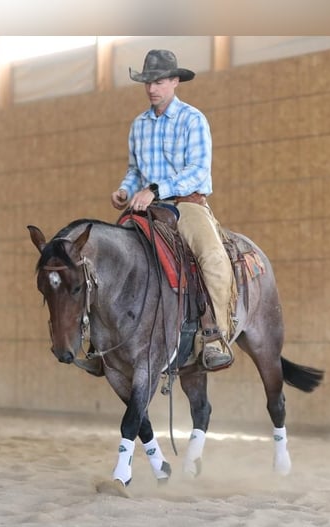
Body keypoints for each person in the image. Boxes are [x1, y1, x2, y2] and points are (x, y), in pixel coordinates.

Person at [111, 49, 234, 371]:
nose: (153, 88)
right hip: (145, 206)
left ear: (175, 81)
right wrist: (125, 189)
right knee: (108, 256)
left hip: (185, 204)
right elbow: (135, 170)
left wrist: (155, 190)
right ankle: (104, 341)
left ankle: (215, 337)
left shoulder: (192, 119)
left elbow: (197, 169)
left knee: (213, 258)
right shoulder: (138, 125)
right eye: (148, 81)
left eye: (161, 81)